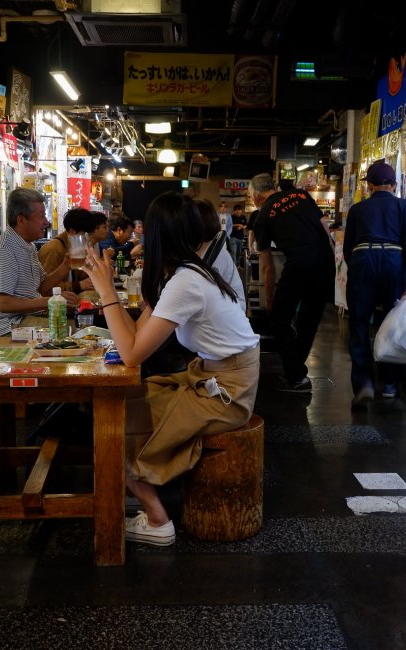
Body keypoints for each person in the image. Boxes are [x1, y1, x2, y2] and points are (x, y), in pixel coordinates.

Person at [81, 192, 260, 546]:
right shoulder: (187, 272)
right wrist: (111, 300)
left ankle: (157, 518)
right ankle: (143, 487)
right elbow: (135, 340)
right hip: (215, 377)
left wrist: (105, 291)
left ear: (159, 236)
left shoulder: (186, 282)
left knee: (116, 421)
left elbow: (131, 354)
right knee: (125, 404)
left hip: (227, 392)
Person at [250, 172, 335, 393]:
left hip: (299, 264)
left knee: (279, 318)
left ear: (257, 196)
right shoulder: (301, 195)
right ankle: (297, 373)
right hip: (326, 262)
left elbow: (268, 268)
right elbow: (326, 228)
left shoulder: (263, 216)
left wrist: (269, 302)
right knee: (309, 319)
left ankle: (296, 376)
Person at [344, 161, 406, 407]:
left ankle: (363, 383)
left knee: (358, 324)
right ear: (394, 185)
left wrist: (359, 265)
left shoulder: (357, 210)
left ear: (370, 186)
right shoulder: (405, 207)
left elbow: (347, 249)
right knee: (391, 324)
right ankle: (388, 384)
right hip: (393, 262)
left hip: (363, 259)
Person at [0, 188, 78, 336]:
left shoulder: (27, 245)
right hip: (10, 327)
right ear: (21, 220)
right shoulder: (5, 249)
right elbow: (3, 303)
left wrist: (66, 265)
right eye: (42, 216)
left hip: (28, 319)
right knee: (72, 332)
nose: (46, 222)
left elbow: (41, 287)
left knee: (79, 325)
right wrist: (51, 301)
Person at [196, 199, 246, 311]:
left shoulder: (215, 253)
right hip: (222, 308)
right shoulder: (200, 248)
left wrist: (226, 236)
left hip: (231, 311)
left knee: (234, 254)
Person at [38, 208, 104, 293]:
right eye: (84, 234)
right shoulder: (53, 248)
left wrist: (99, 267)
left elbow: (79, 275)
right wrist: (79, 285)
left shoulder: (74, 246)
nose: (87, 238)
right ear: (72, 231)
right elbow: (46, 287)